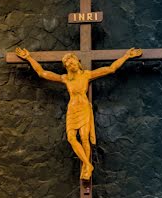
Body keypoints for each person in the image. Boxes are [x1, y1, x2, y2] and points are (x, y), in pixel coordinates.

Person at [15, 47, 142, 180]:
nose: (71, 64)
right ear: (66, 67)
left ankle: (86, 168)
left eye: (72, 61)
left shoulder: (86, 75)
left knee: (84, 137)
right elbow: (42, 73)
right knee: (71, 138)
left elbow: (110, 69)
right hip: (72, 110)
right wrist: (28, 57)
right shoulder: (65, 79)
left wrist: (126, 56)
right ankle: (88, 164)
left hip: (84, 108)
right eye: (68, 64)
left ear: (77, 62)